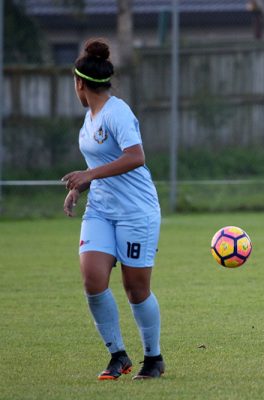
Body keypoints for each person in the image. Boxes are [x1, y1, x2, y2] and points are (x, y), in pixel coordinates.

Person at [62, 38, 165, 379]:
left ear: (79, 83)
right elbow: (103, 164)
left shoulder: (117, 112)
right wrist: (82, 186)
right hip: (101, 211)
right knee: (93, 280)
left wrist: (89, 173)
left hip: (137, 211)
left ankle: (154, 359)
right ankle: (118, 355)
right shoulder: (88, 120)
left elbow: (136, 157)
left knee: (136, 289)